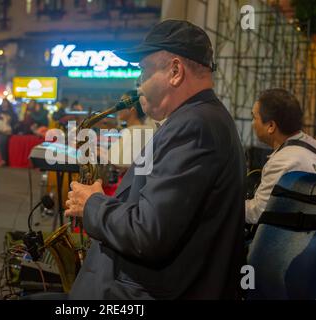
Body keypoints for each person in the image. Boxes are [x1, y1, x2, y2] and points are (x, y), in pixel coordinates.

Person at [64, 20, 246, 299]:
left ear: (175, 71)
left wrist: (92, 204)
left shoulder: (194, 126)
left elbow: (148, 233)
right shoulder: (198, 119)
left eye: (143, 71)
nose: (138, 83)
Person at [246, 89, 316, 224]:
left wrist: (228, 205)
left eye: (254, 117)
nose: (252, 124)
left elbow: (258, 213)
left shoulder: (282, 162)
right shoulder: (311, 143)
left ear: (271, 126)